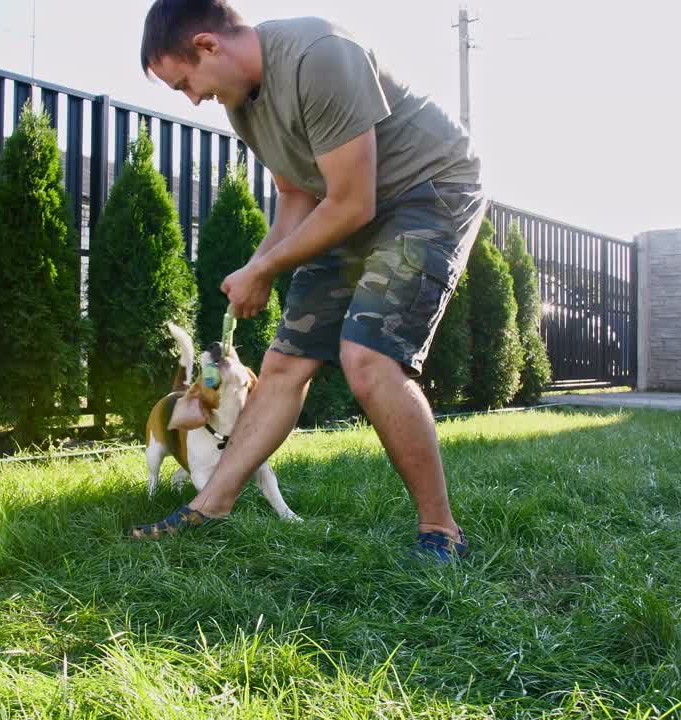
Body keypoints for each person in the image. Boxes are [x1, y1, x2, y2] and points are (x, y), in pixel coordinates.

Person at [132, 0, 485, 563]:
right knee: (283, 364)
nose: (194, 99)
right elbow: (298, 194)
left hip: (426, 191)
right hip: (343, 204)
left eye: (185, 85)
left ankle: (441, 531)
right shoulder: (242, 105)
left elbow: (351, 201)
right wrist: (257, 266)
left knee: (367, 358)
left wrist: (264, 270)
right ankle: (212, 504)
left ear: (207, 45)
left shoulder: (319, 55)